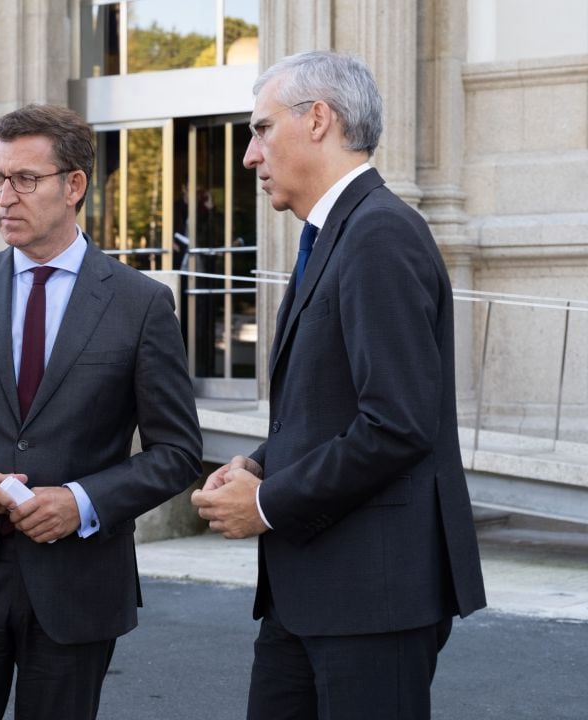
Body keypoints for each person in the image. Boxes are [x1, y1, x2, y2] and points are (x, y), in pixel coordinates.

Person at [190, 51, 487, 719]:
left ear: (318, 119)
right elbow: (332, 409)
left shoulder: (378, 234)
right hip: (315, 592)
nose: (249, 154)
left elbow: (397, 424)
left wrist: (268, 502)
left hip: (369, 602)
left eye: (261, 129)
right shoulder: (337, 234)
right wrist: (256, 464)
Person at [0, 103, 203, 720]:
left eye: (24, 179)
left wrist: (83, 502)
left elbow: (178, 452)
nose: (5, 196)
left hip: (77, 586)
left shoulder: (140, 305)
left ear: (74, 186)